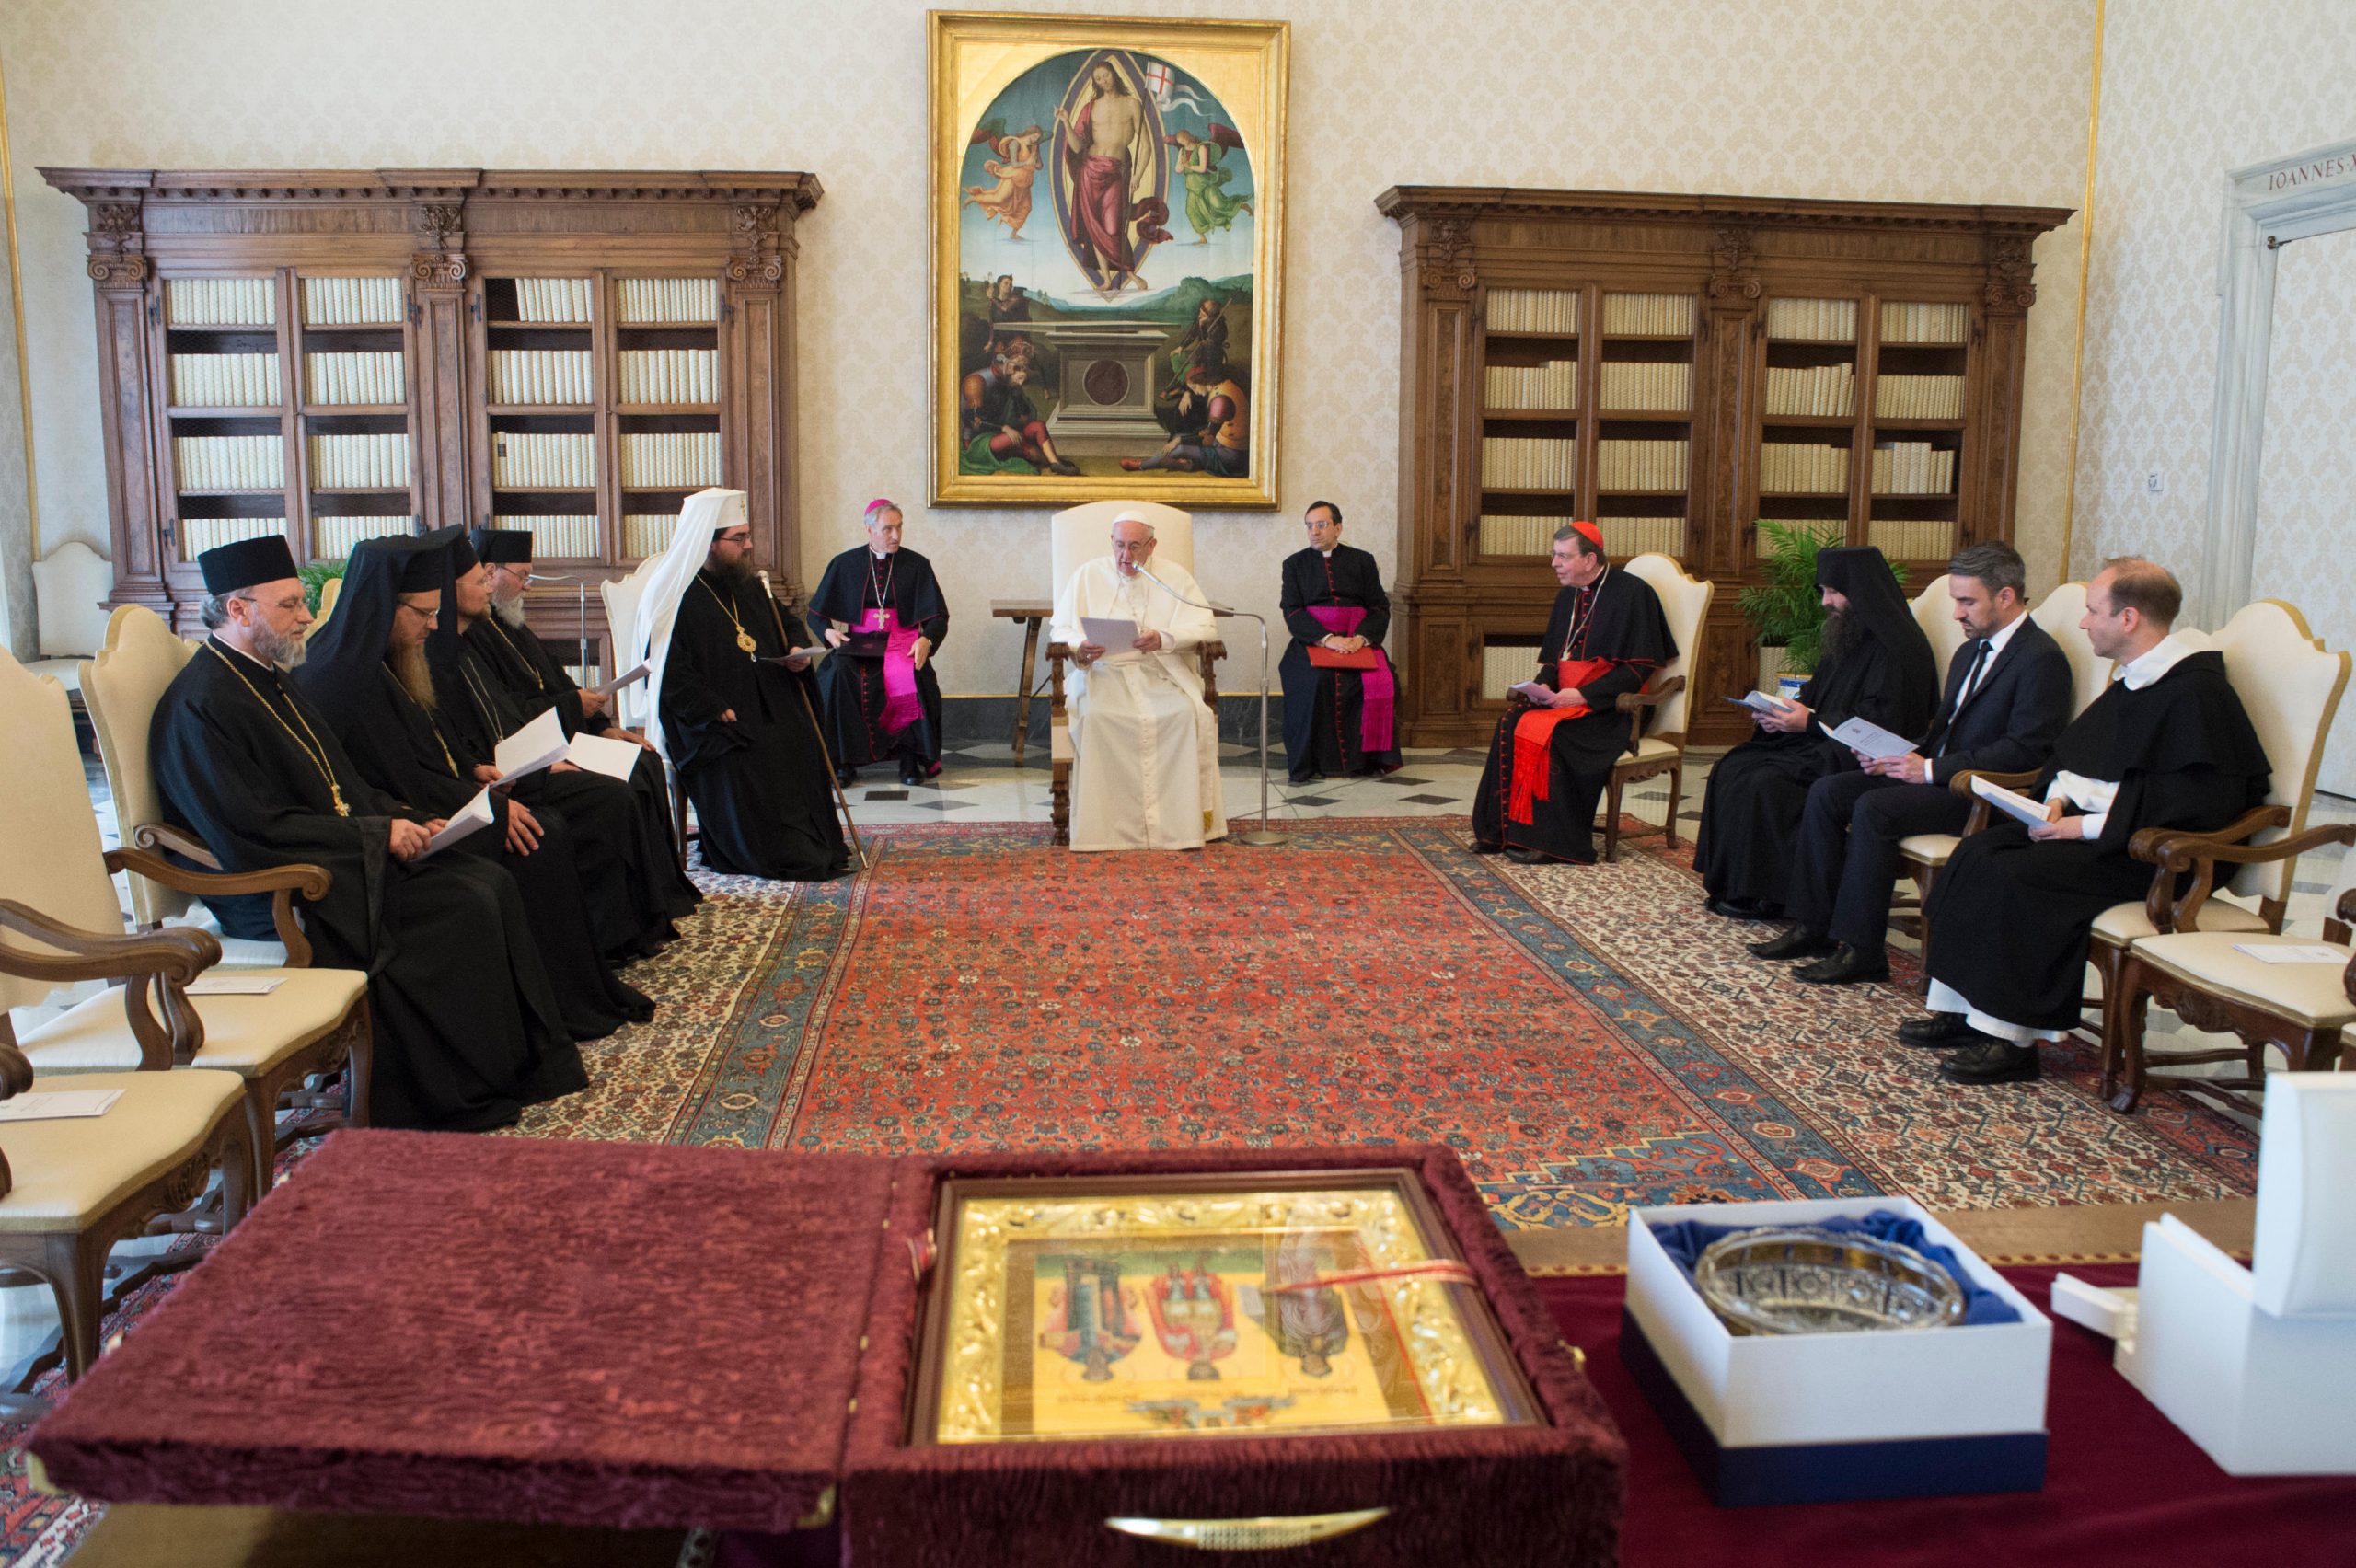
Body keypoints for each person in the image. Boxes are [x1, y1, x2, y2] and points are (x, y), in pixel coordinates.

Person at [149, 536, 585, 1131]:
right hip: (277, 887)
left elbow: (342, 784)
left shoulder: (269, 679)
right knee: (464, 902)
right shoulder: (202, 705)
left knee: (485, 879)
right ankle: (446, 1091)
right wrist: (376, 836)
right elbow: (252, 830)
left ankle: (514, 1067)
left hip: (335, 855)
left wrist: (403, 816)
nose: (306, 617)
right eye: (289, 606)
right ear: (237, 609)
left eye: (302, 602)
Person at [1906, 559, 2269, 1086]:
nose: (2082, 623)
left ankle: (2012, 1038)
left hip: (2160, 855)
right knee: (1979, 852)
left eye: (2092, 612)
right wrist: (2055, 796)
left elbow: (2190, 805)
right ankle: (1963, 1012)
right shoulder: (2138, 680)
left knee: (2021, 878)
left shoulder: (2195, 693)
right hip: (2108, 835)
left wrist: (2080, 828)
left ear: (2128, 618)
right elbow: (2080, 757)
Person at [293, 529, 653, 1040]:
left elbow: (431, 749)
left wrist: (470, 771)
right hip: (389, 830)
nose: (434, 626)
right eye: (423, 613)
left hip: (426, 805)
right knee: (536, 842)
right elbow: (388, 780)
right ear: (385, 608)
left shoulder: (392, 659)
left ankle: (565, 998)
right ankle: (544, 1013)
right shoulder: (342, 680)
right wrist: (472, 798)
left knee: (545, 832)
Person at [1752, 542, 2073, 984]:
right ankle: (1812, 925)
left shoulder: (2041, 659)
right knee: (1830, 791)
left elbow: (2024, 751)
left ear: (2005, 596)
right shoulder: (1969, 651)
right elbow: (1943, 730)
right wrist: (1897, 753)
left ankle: (1863, 951)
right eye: (1955, 602)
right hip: (1939, 774)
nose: (1957, 614)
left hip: (1980, 791)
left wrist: (1928, 770)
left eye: (1967, 602)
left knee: (1875, 808)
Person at [425, 535, 685, 960]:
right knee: (612, 796)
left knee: (642, 761)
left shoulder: (510, 626)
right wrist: (542, 762)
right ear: (490, 572)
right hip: (508, 771)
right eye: (520, 576)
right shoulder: (458, 643)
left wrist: (601, 726)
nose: (516, 588)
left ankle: (652, 906)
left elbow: (539, 695)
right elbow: (491, 726)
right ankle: (613, 936)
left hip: (533, 755)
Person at [1694, 545, 1938, 917]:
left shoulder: (1898, 648)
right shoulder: (1848, 635)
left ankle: (1775, 895)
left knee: (1767, 781)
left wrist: (1808, 721)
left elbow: (1883, 719)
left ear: (1862, 592)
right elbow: (1816, 694)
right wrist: (1780, 713)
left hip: (1861, 753)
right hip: (1822, 739)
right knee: (1734, 765)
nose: (1826, 601)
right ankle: (1735, 884)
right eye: (1823, 591)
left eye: (1834, 592)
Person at [631, 488, 850, 881]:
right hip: (711, 720)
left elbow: (786, 622)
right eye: (739, 538)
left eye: (747, 536)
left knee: (800, 736)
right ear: (709, 543)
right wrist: (710, 707)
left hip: (764, 702)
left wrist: (797, 647)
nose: (749, 546)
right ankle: (762, 850)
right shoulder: (673, 595)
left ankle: (817, 844)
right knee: (751, 754)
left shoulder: (747, 583)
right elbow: (666, 670)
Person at [1470, 523, 1677, 865]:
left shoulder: (1632, 594)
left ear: (1590, 558)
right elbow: (1555, 659)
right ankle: (1500, 832)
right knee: (1510, 721)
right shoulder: (1568, 594)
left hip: (1616, 708)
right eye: (1554, 554)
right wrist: (1544, 686)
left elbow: (1638, 669)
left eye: (1563, 556)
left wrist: (1584, 697)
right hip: (1566, 698)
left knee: (1557, 735)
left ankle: (1554, 843)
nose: (1554, 563)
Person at [1048, 509, 1222, 851]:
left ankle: (1177, 829)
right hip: (1102, 673)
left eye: (1134, 547)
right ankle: (1108, 830)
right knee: (1098, 719)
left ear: (1152, 545)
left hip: (1161, 672)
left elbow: (1205, 627)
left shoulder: (1175, 577)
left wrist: (1165, 638)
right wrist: (1079, 646)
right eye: (1119, 546)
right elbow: (1061, 630)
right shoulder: (1087, 575)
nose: (1125, 556)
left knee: (1182, 715)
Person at [807, 499, 950, 788]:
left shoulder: (917, 564)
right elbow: (816, 615)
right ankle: (843, 761)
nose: (895, 535)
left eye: (899, 528)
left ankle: (910, 759)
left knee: (911, 674)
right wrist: (829, 634)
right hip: (856, 643)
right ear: (869, 530)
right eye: (887, 529)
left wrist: (926, 639)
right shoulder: (845, 563)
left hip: (902, 642)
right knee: (836, 676)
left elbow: (938, 617)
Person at [1277, 500, 1400, 783]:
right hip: (1313, 639)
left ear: (1338, 527)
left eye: (1321, 525)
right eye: (1309, 526)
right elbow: (1292, 610)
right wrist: (1328, 639)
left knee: (1382, 679)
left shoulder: (1363, 561)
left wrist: (1360, 638)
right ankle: (1311, 761)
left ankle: (1367, 760)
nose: (1314, 532)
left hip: (1358, 639)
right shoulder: (1294, 564)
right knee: (1315, 681)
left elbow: (1379, 607)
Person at [960, 345, 1080, 476]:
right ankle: (1050, 461)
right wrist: (1004, 428)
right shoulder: (976, 381)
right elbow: (972, 420)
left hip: (999, 433)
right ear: (1011, 368)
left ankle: (1055, 463)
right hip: (977, 442)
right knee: (1017, 439)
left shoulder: (1007, 381)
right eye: (1020, 376)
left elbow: (1024, 419)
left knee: (1038, 426)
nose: (1021, 383)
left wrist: (1017, 395)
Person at [1123, 359, 1248, 476]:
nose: (1194, 391)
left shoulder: (1220, 400)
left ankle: (1141, 465)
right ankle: (1188, 464)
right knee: (1179, 437)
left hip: (1231, 458)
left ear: (1203, 382)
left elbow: (1208, 438)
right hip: (1223, 445)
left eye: (1194, 387)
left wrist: (1180, 441)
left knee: (1180, 448)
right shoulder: (1223, 385)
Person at [1166, 128, 1253, 242]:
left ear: (1189, 137)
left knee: (1218, 204)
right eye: (1180, 142)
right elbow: (1178, 168)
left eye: (1184, 140)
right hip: (1192, 186)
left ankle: (1242, 206)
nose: (1183, 144)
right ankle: (1202, 238)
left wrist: (1189, 166)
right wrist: (1181, 166)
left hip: (1206, 183)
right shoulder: (1181, 151)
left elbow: (1203, 168)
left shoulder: (1201, 148)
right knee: (1191, 211)